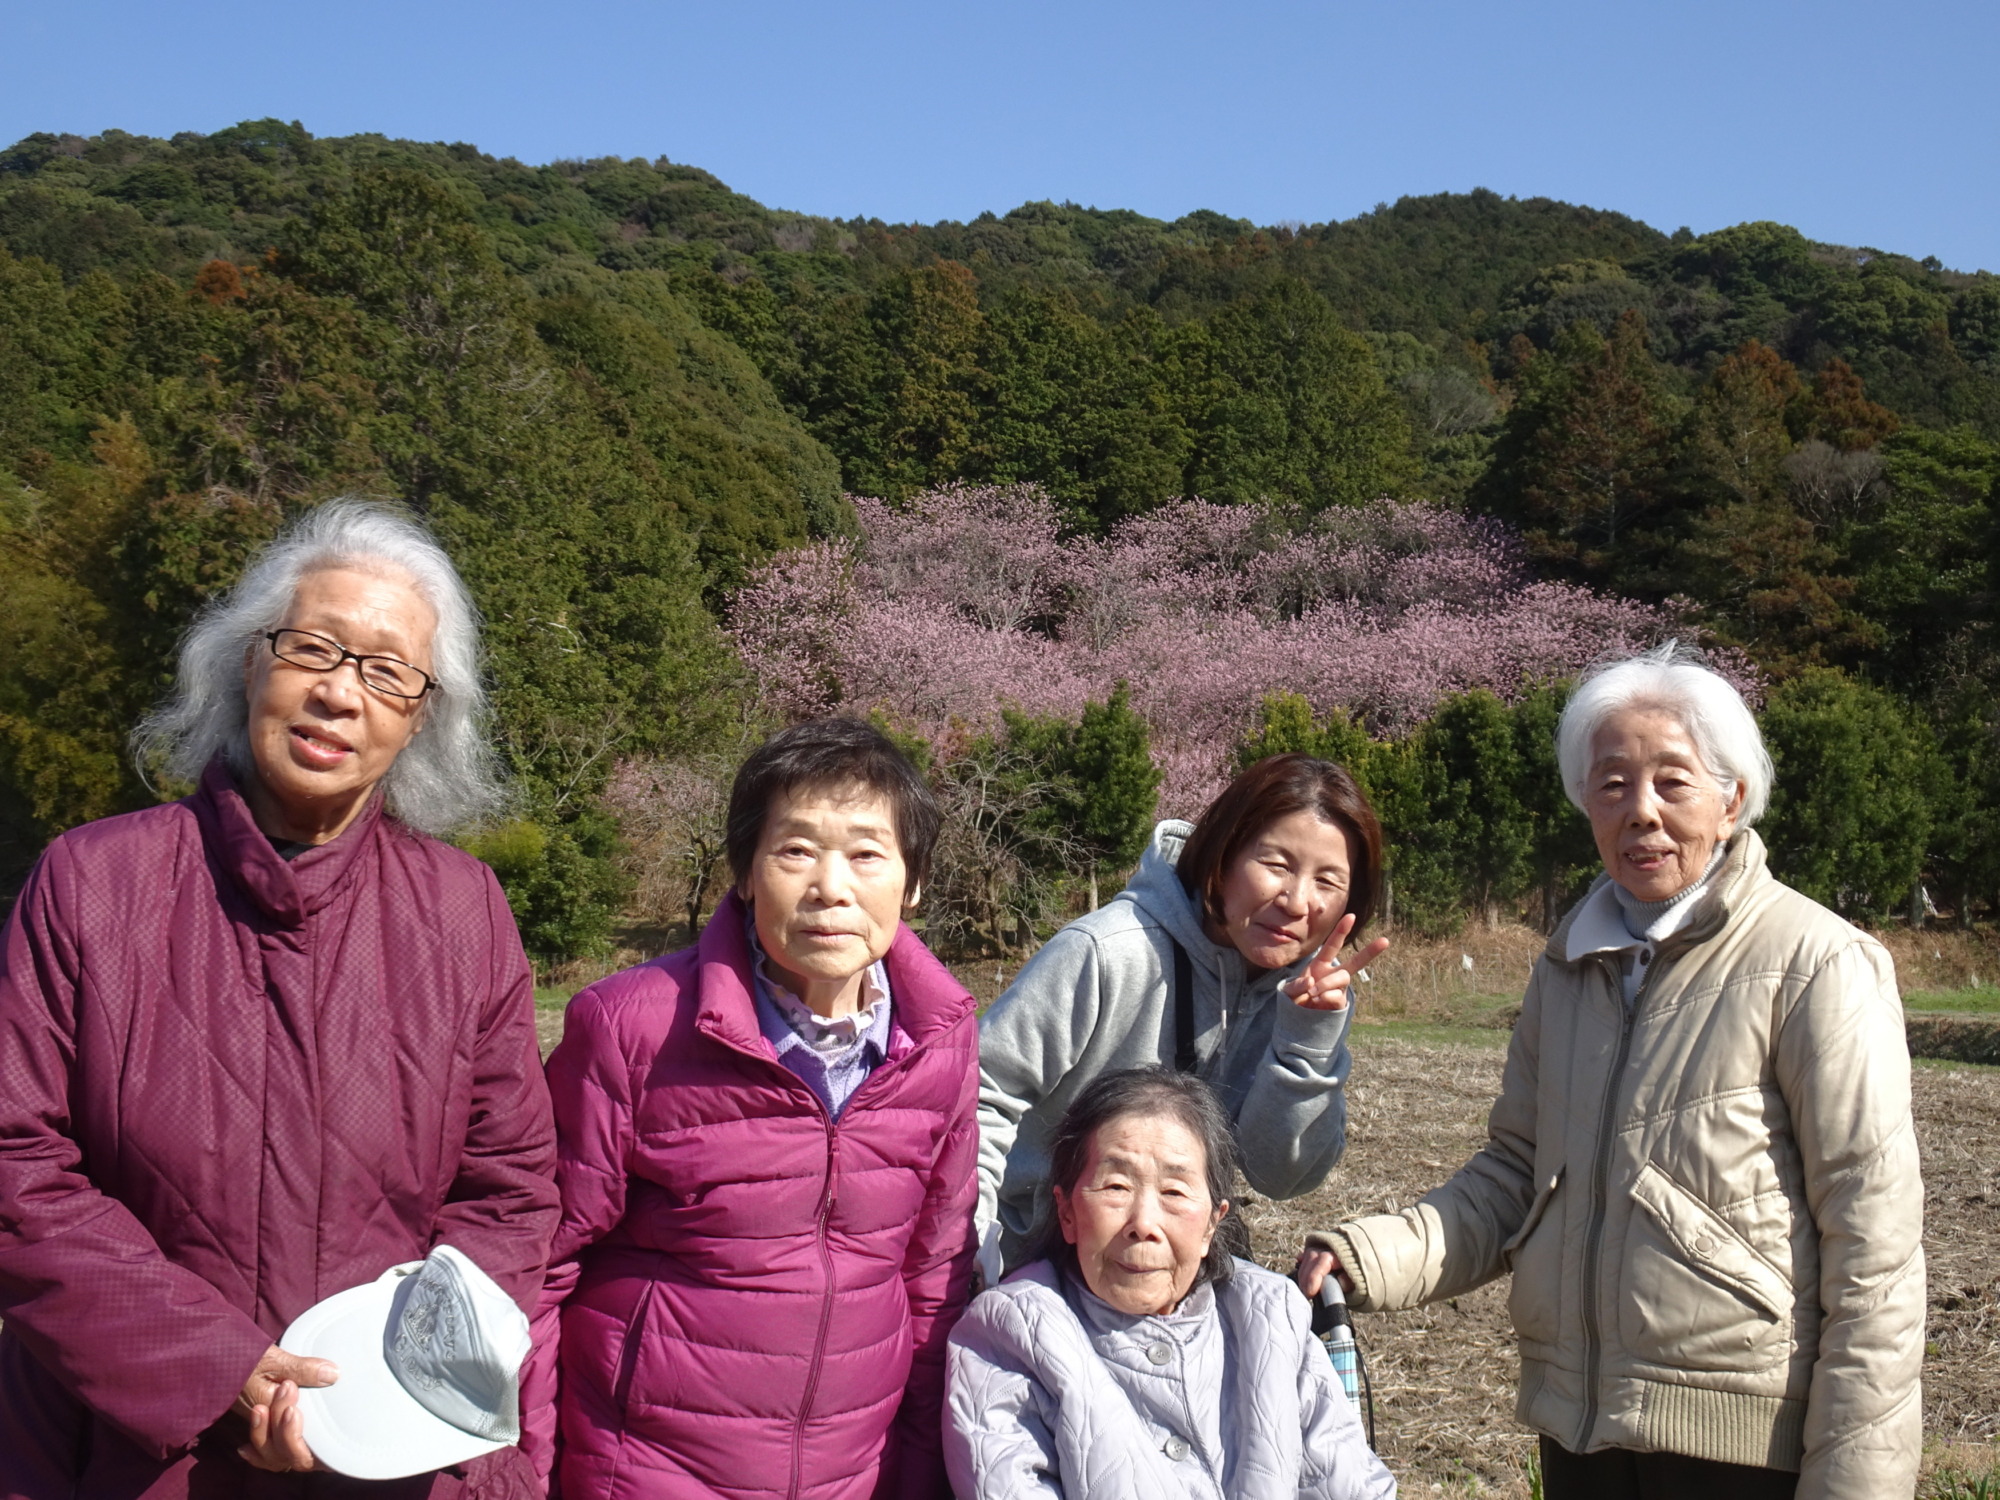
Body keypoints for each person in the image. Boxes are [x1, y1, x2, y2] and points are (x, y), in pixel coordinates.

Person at [0, 499, 560, 1498]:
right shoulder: (92, 885)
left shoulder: (462, 912)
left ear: (420, 717)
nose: (339, 692)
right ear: (247, 664)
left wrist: (377, 1403)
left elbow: (509, 1191)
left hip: (391, 1457)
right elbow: (17, 1165)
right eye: (312, 647)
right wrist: (214, 1370)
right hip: (131, 1459)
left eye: (386, 671)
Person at [1295, 643, 1924, 1500]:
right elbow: (1517, 1177)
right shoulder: (1568, 967)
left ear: (1732, 799)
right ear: (1585, 802)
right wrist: (1366, 1256)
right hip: (1580, 1431)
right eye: (1613, 784)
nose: (1642, 811)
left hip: (1742, 1448)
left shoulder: (1816, 962)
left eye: (1673, 781)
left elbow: (1874, 1250)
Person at [524, 719, 979, 1500]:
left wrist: (918, 1476)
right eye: (795, 850)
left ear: (914, 882)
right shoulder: (630, 1026)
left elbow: (934, 1276)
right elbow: (539, 1267)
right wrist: (522, 1475)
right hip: (648, 1472)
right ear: (745, 872)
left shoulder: (941, 1038)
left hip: (853, 1475)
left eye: (867, 855)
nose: (831, 887)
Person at [976, 753, 1391, 1280]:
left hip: (1170, 1275)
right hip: (1037, 1266)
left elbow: (1280, 1177)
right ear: (1224, 852)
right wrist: (973, 1252)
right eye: (1277, 865)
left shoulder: (1310, 998)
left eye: (1328, 881)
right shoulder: (1108, 952)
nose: (1296, 901)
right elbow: (979, 1095)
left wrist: (1306, 1040)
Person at [947, 1067, 1396, 1499]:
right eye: (1116, 1186)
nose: (1143, 1223)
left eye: (1174, 1193)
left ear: (1212, 1225)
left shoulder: (1273, 1318)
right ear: (1067, 1212)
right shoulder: (1008, 1336)